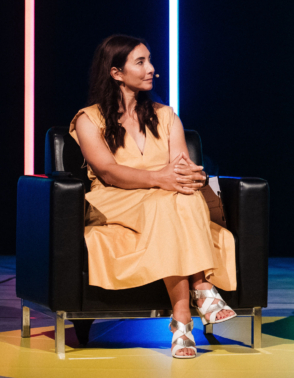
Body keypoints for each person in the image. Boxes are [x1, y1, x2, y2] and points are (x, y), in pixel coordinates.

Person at [70, 35, 236, 359]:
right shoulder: (88, 119)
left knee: (181, 198)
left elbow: (180, 166)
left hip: (167, 197)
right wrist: (158, 178)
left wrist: (188, 174)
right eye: (141, 62)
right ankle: (201, 289)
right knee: (173, 199)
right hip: (116, 199)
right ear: (116, 72)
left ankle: (182, 321)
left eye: (151, 61)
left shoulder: (166, 116)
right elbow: (108, 172)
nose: (152, 69)